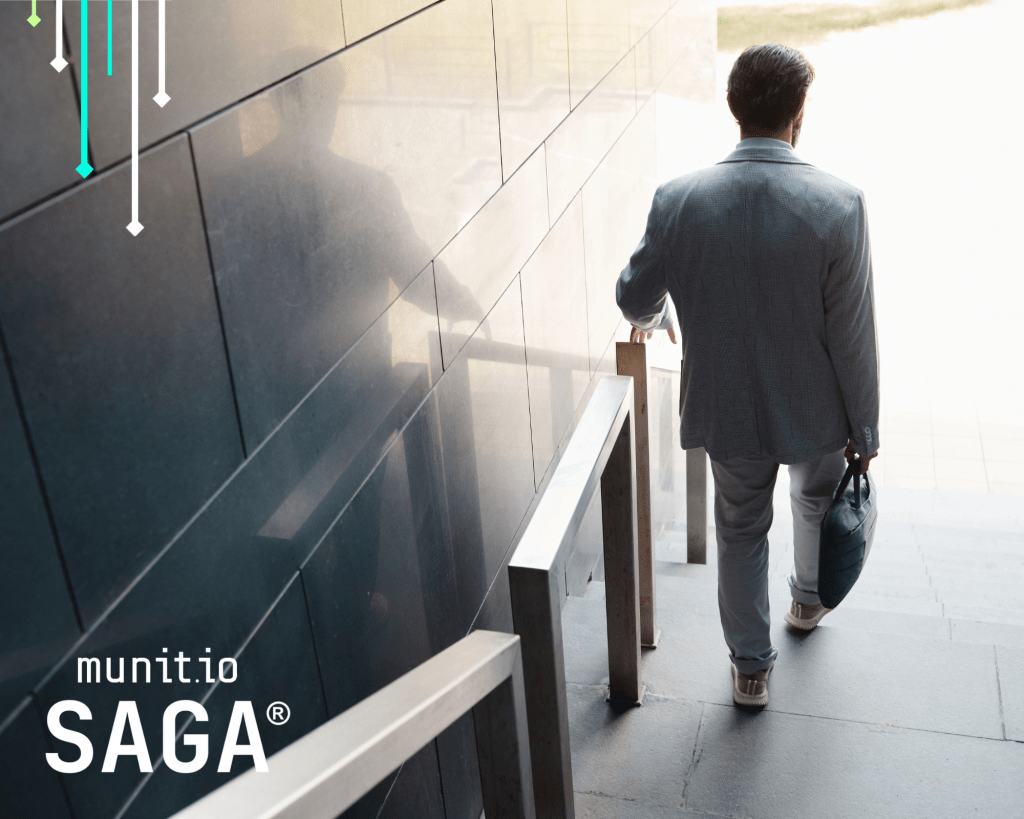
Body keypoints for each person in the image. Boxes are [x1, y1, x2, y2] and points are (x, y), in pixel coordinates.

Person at [615, 43, 880, 708]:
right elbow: (852, 333)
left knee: (739, 528)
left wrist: (658, 313)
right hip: (816, 405)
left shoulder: (678, 199)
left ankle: (750, 668)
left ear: (734, 108)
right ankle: (807, 602)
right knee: (816, 502)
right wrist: (866, 425)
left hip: (725, 400)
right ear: (798, 113)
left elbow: (633, 296)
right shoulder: (839, 204)